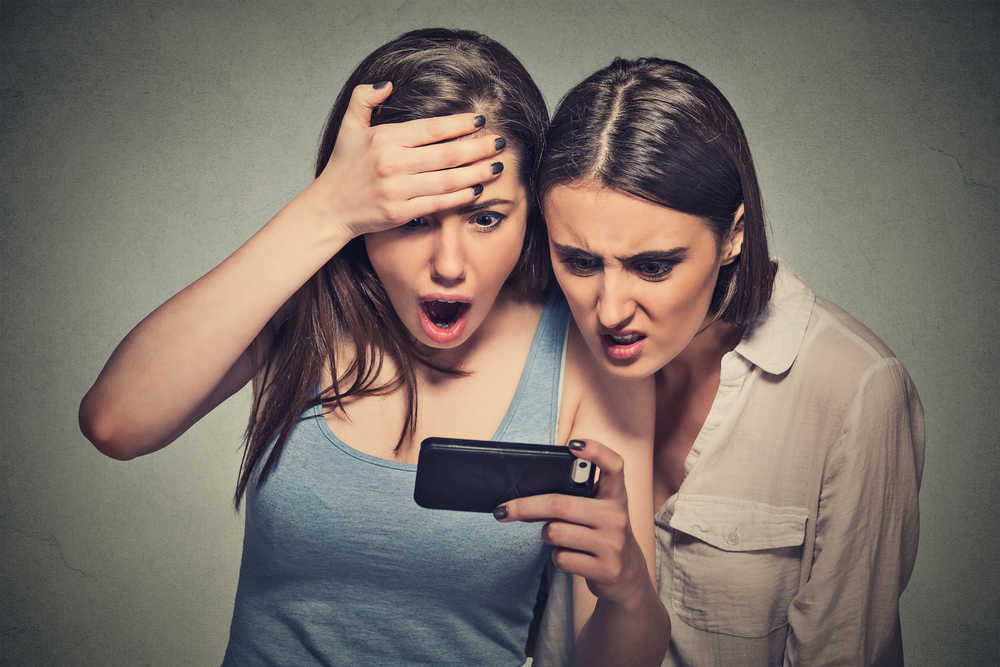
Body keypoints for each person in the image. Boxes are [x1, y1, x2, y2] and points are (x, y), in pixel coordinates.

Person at [78, 30, 669, 666]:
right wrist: (325, 212)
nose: (449, 265)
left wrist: (628, 593)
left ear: (531, 215)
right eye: (413, 219)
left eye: (487, 218)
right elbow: (116, 422)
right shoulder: (303, 307)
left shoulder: (586, 357)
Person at [530, 57, 925, 666]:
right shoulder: (537, 344)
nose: (609, 311)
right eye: (580, 262)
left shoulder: (855, 392)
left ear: (734, 234)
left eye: (653, 265)